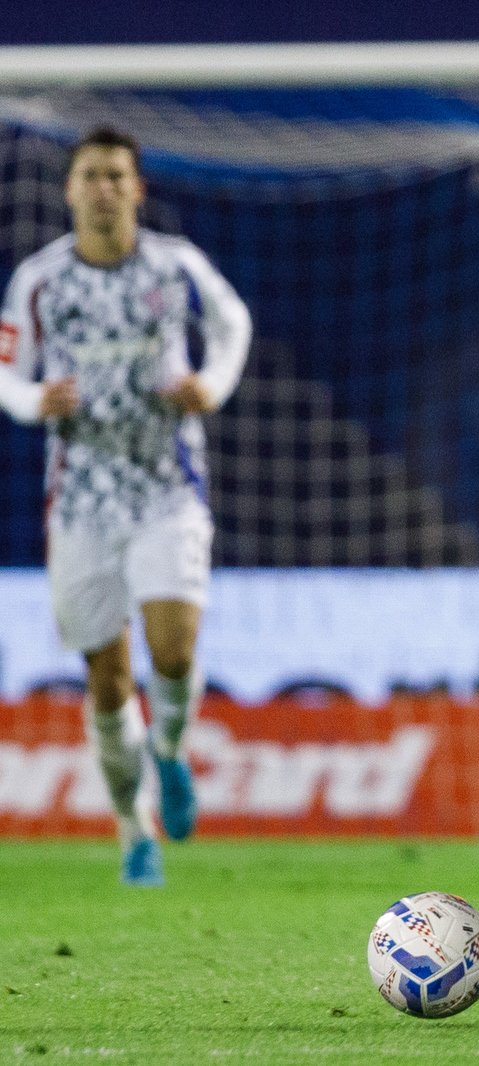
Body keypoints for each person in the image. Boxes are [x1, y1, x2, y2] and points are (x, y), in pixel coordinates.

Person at [0, 126, 251, 886]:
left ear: (137, 188)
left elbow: (232, 323)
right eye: (90, 175)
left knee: (172, 651)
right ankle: (132, 830)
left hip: (166, 487)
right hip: (79, 503)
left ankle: (169, 752)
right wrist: (31, 401)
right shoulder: (42, 280)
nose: (103, 187)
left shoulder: (176, 267)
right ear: (69, 189)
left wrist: (212, 384)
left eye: (116, 175)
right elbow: (5, 367)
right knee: (107, 681)